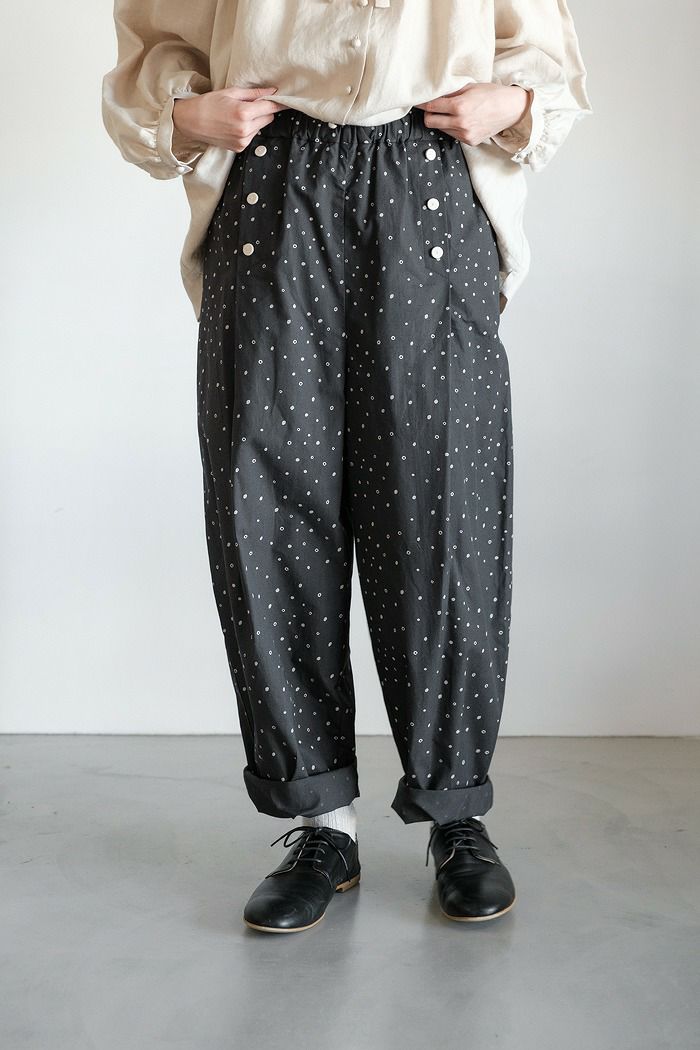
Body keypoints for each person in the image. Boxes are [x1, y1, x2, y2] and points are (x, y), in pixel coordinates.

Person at [102, 0, 592, 933]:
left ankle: (456, 813)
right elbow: (155, 39)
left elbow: (545, 61)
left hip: (429, 178)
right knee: (268, 513)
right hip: (273, 182)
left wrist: (515, 104)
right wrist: (187, 113)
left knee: (444, 518)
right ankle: (320, 822)